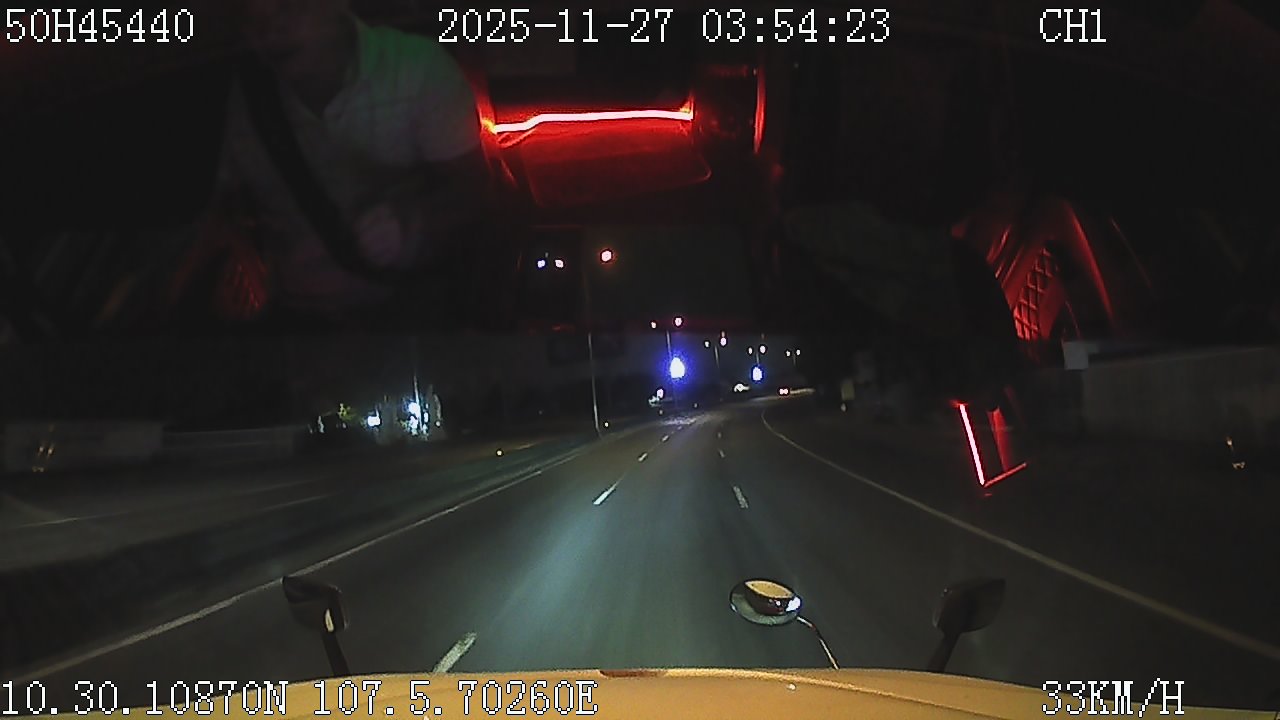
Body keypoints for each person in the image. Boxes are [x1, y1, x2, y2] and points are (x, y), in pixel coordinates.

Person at [176, 0, 488, 325]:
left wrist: (412, 222)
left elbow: (474, 190)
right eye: (251, 18)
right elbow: (211, 210)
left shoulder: (417, 68)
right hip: (298, 319)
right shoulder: (237, 100)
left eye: (288, 7)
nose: (269, 31)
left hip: (416, 307)